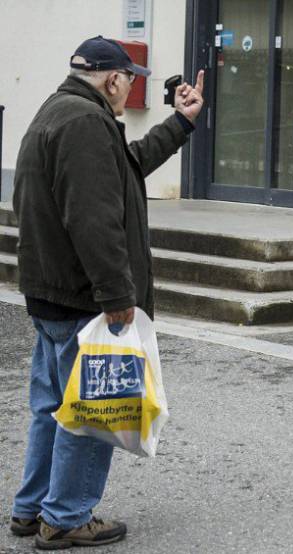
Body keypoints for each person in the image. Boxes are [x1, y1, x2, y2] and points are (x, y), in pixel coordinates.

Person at [9, 36, 204, 549]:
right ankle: (67, 517)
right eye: (130, 80)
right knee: (94, 413)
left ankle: (31, 510)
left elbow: (127, 167)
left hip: (51, 293)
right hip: (84, 301)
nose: (129, 88)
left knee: (53, 406)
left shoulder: (59, 111)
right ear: (113, 79)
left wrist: (181, 122)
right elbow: (93, 219)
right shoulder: (86, 123)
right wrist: (119, 296)